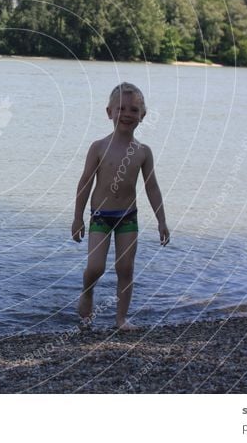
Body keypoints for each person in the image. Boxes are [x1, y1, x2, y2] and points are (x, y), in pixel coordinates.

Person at [72, 82, 170, 330]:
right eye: (121, 108)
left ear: (143, 115)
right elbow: (85, 183)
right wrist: (77, 218)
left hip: (128, 217)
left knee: (125, 268)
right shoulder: (99, 147)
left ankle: (121, 319)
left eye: (134, 110)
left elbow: (152, 188)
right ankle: (87, 293)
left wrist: (161, 221)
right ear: (109, 112)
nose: (127, 114)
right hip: (100, 216)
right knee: (96, 267)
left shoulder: (143, 151)